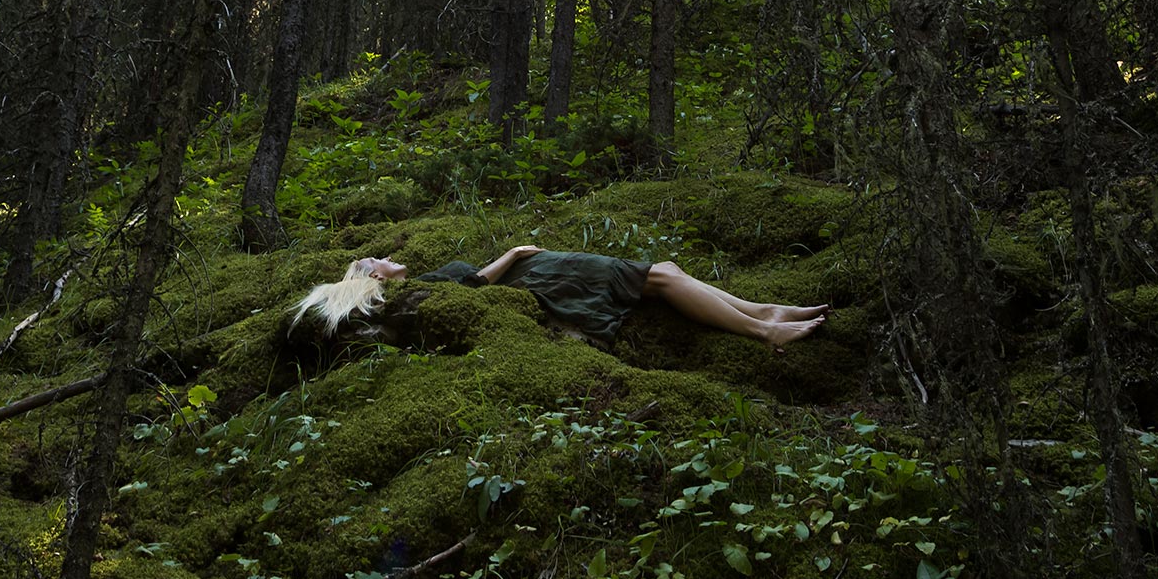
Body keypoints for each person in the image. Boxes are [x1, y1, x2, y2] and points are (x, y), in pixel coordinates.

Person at [291, 244, 827, 351]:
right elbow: (477, 287)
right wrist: (515, 251)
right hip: (540, 280)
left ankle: (762, 310)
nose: (385, 256)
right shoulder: (420, 296)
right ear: (376, 278)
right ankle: (763, 331)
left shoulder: (427, 285)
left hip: (538, 271)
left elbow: (466, 283)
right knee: (653, 278)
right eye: (375, 260)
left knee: (664, 268)